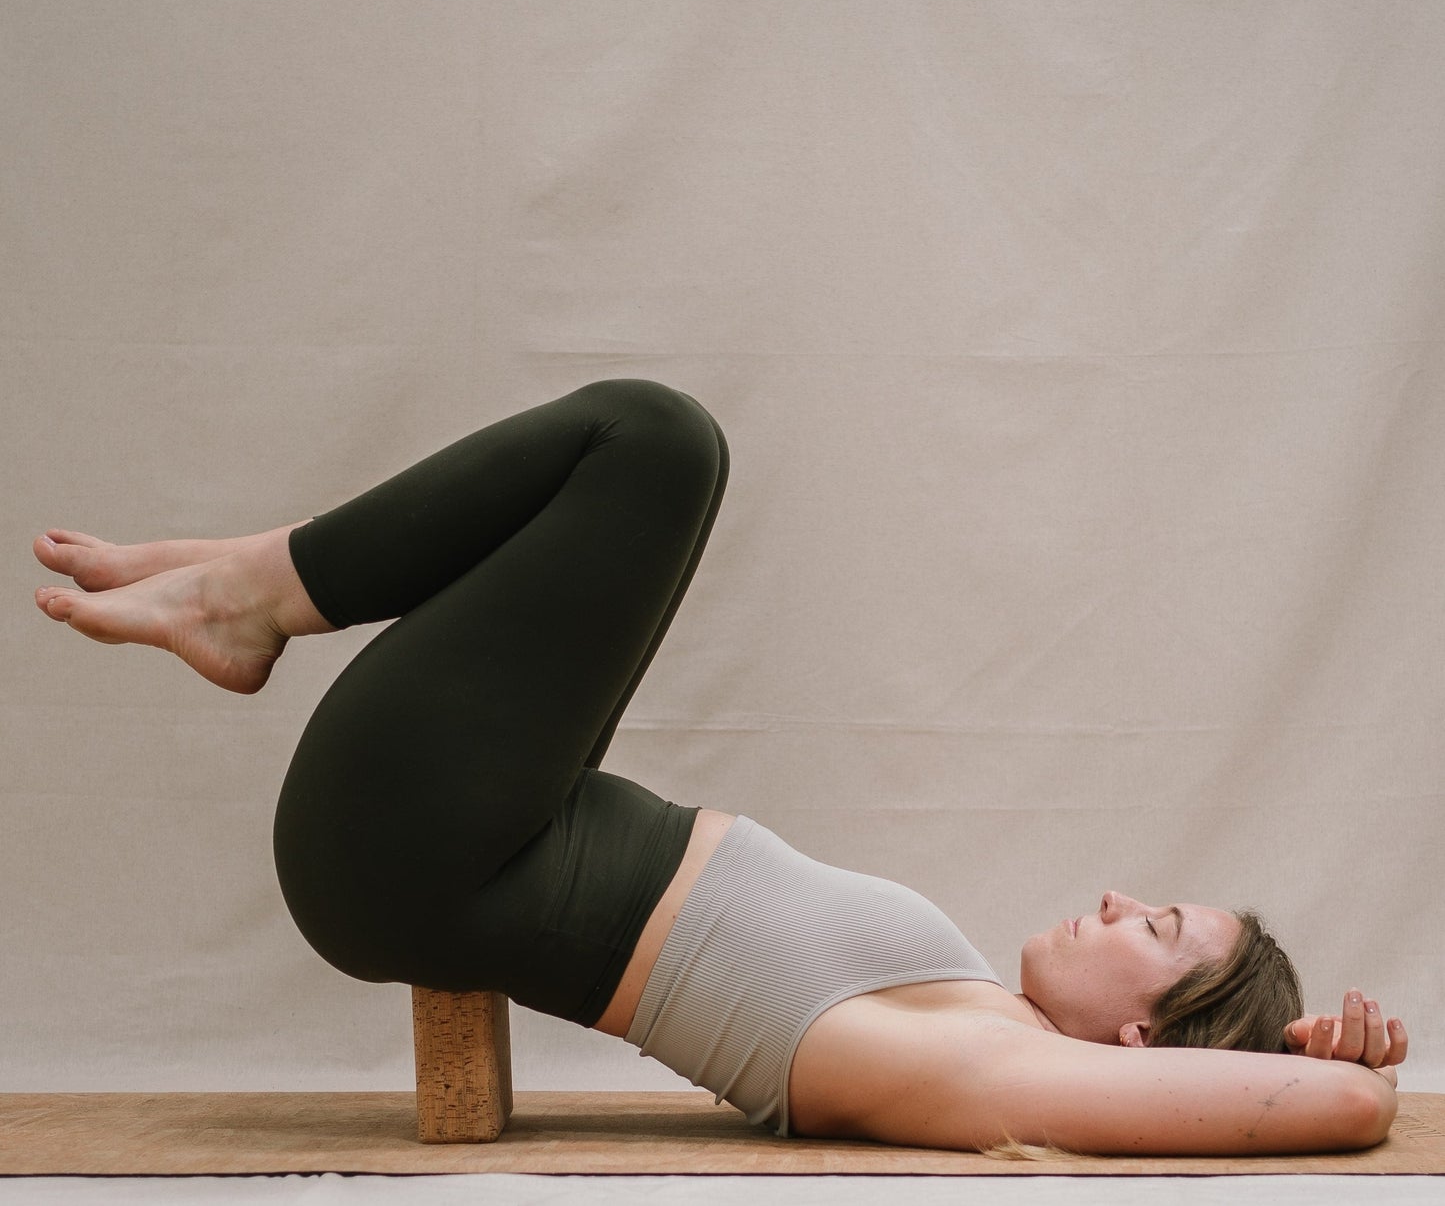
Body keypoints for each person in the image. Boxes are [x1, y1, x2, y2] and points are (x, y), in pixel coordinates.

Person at [32, 379, 1407, 1154]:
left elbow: (1338, 1107)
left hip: (422, 842)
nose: (1116, 898)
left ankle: (246, 594)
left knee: (655, 445)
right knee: (632, 464)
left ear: (1142, 1042)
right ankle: (249, 577)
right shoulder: (971, 1013)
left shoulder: (980, 1076)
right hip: (475, 829)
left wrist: (1344, 1071)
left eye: (1154, 928)